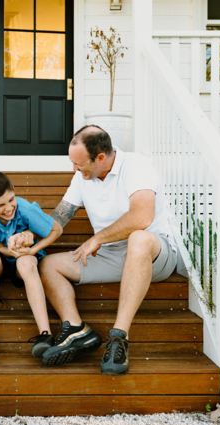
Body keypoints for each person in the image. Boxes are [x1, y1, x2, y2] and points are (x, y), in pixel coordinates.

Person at [10, 125, 177, 376]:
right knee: (49, 265)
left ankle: (119, 337)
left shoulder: (136, 166)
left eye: (79, 164)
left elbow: (142, 216)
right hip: (111, 256)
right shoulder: (82, 177)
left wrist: (98, 238)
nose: (74, 170)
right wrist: (29, 236)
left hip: (155, 253)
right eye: (72, 164)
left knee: (138, 239)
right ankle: (77, 330)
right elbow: (59, 218)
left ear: (101, 157)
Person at [0, 171, 63, 367]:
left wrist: (33, 250)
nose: (8, 208)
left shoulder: (25, 209)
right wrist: (8, 251)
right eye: (0, 205)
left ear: (14, 192)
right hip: (2, 256)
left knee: (26, 263)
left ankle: (45, 335)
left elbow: (57, 230)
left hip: (25, 257)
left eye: (11, 200)